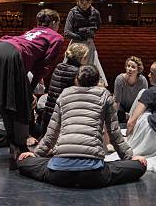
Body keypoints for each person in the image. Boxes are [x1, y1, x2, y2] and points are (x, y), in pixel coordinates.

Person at [18, 65, 148, 188]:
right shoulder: (105, 96)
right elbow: (114, 133)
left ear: (76, 80)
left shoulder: (64, 95)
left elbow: (51, 133)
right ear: (97, 81)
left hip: (59, 174)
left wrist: (35, 154)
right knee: (139, 166)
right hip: (93, 174)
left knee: (23, 161)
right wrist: (130, 158)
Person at [0, 9, 64, 169]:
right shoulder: (56, 37)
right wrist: (30, 90)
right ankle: (20, 147)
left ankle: (15, 145)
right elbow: (44, 66)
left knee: (7, 101)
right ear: (55, 23)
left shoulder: (31, 31)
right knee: (19, 103)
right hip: (10, 55)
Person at [41, 42, 89, 134]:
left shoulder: (59, 66)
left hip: (48, 115)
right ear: (82, 58)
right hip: (63, 119)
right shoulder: (78, 72)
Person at [64, 0, 108, 86]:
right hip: (76, 44)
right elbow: (67, 33)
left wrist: (90, 31)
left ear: (90, 1)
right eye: (82, 2)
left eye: (87, 2)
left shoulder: (95, 12)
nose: (84, 5)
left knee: (91, 70)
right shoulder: (72, 12)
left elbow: (98, 26)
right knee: (72, 71)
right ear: (77, 1)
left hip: (89, 43)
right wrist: (81, 35)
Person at [114, 56, 148, 123]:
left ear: (138, 70)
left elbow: (144, 101)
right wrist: (113, 118)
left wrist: (133, 114)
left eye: (133, 67)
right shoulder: (120, 79)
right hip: (122, 109)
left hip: (135, 108)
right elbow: (116, 101)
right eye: (128, 66)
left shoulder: (142, 81)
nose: (129, 69)